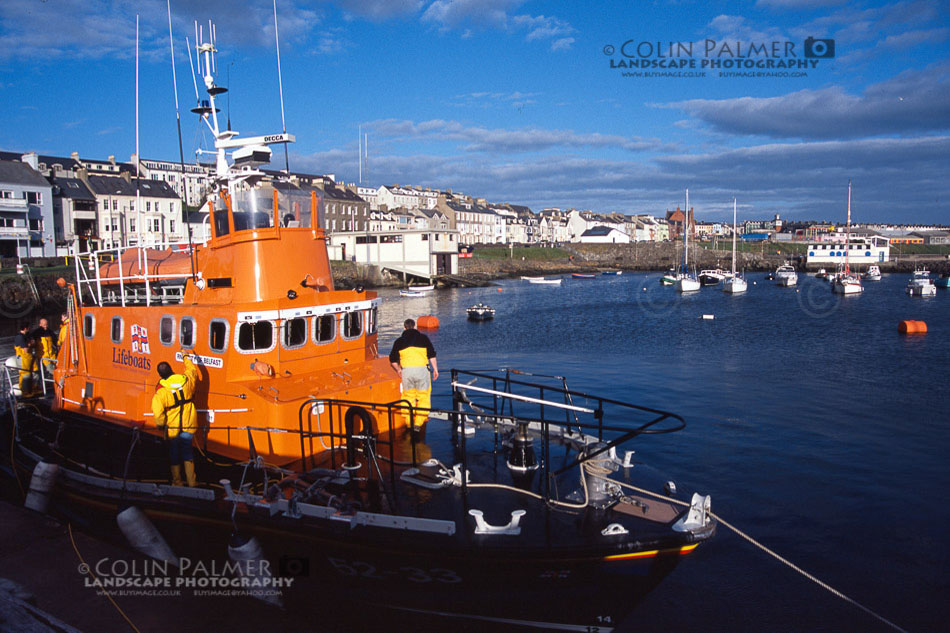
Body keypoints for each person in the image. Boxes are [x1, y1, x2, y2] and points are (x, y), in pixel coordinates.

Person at [151, 352, 200, 487]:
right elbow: (192, 370)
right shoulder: (186, 381)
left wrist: (160, 425)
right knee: (188, 453)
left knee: (174, 454)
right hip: (188, 424)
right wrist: (185, 356)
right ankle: (192, 482)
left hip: (172, 428)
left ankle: (177, 482)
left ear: (160, 375)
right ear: (172, 370)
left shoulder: (161, 393)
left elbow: (158, 413)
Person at [389, 318, 438, 430]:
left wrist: (398, 370)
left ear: (404, 328)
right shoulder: (423, 338)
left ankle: (409, 423)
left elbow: (392, 360)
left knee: (408, 397)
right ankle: (418, 423)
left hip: (407, 372)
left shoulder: (399, 341)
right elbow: (432, 355)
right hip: (422, 371)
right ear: (415, 326)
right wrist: (435, 369)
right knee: (423, 397)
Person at [13, 324, 36, 396]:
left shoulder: (27, 335)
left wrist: (29, 344)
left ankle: (33, 389)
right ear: (25, 328)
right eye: (29, 328)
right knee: (25, 375)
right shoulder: (19, 337)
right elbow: (25, 349)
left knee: (35, 372)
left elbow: (33, 343)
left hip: (29, 357)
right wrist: (29, 344)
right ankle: (25, 392)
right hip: (23, 358)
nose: (30, 329)